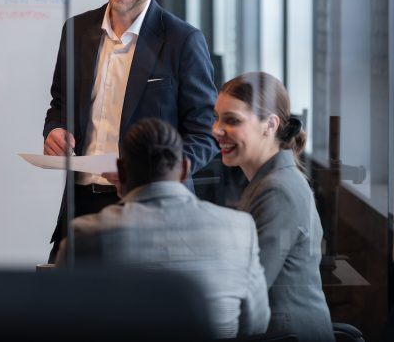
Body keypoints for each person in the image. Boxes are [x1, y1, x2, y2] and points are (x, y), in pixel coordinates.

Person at [43, 0, 218, 262]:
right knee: (67, 313)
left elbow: (205, 133)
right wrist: (55, 130)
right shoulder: (77, 30)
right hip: (82, 204)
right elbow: (60, 103)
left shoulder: (183, 40)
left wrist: (158, 174)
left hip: (153, 209)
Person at [54, 118, 270, 339]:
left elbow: (60, 321)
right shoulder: (240, 228)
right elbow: (256, 325)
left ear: (121, 170)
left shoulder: (85, 235)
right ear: (185, 169)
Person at [214, 72, 334, 341]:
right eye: (217, 117)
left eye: (232, 120)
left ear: (269, 125)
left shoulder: (277, 189)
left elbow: (248, 289)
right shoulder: (269, 180)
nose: (216, 130)